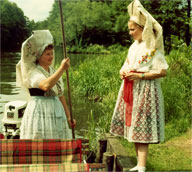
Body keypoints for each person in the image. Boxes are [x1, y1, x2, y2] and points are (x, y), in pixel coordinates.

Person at [110, 0, 168, 172]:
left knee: (141, 124)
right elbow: (127, 63)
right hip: (131, 89)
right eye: (130, 29)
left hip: (145, 90)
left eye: (133, 29)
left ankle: (142, 166)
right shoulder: (134, 47)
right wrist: (124, 72)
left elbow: (162, 71)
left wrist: (140, 75)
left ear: (143, 28)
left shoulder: (151, 47)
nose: (130, 33)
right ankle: (139, 164)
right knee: (134, 125)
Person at [16, 30, 76, 139]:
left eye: (52, 54)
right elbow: (45, 86)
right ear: (39, 56)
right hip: (39, 111)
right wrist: (62, 69)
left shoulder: (53, 72)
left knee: (57, 141)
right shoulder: (33, 72)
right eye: (47, 54)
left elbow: (60, 94)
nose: (51, 57)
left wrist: (68, 116)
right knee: (39, 140)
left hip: (56, 110)